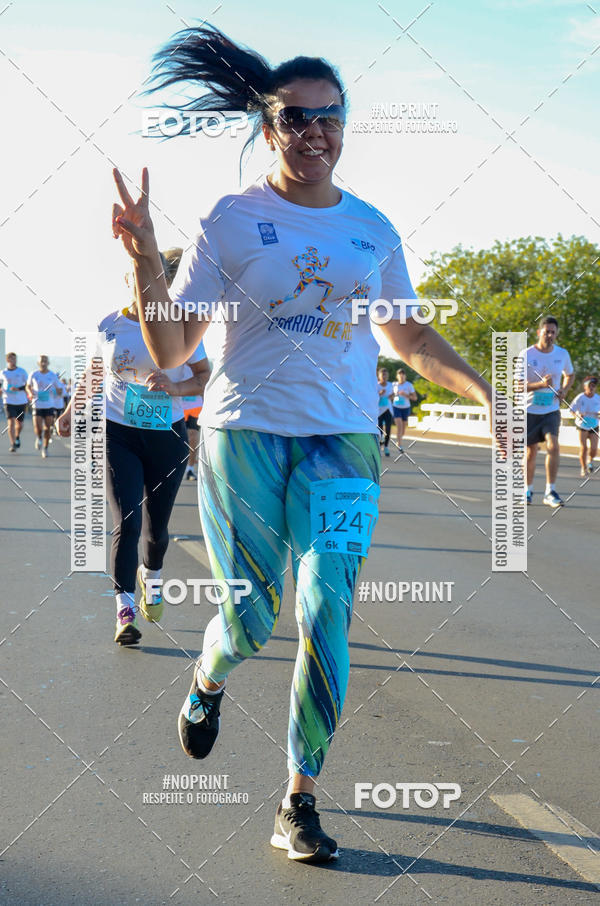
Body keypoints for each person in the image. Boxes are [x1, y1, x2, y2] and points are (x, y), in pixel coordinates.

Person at [111, 23, 492, 864]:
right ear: (267, 125)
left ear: (345, 124)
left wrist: (486, 394)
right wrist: (144, 260)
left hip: (344, 442)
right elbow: (174, 350)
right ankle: (208, 681)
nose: (314, 133)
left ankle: (298, 800)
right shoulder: (233, 219)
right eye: (295, 119)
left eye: (329, 117)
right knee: (250, 618)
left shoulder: (372, 228)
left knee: (326, 612)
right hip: (244, 437)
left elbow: (411, 338)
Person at [57, 249, 210, 645]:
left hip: (167, 436)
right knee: (128, 520)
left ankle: (152, 574)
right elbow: (94, 371)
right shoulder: (110, 323)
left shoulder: (182, 326)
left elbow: (205, 376)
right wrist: (73, 410)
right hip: (117, 432)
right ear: (130, 280)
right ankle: (124, 611)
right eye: (139, 279)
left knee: (156, 530)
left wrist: (176, 388)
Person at [525, 316, 574, 507]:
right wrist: (540, 384)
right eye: (547, 332)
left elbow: (570, 374)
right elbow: (517, 385)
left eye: (553, 332)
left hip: (551, 410)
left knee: (553, 446)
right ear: (539, 333)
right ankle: (527, 490)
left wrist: (564, 390)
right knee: (530, 453)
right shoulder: (527, 355)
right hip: (529, 410)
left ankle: (550, 491)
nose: (550, 335)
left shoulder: (562, 354)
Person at [26, 355, 63, 458]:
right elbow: (28, 386)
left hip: (49, 405)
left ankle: (45, 448)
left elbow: (59, 389)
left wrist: (56, 391)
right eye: (42, 361)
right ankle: (39, 438)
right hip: (37, 404)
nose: (43, 363)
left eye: (45, 361)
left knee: (47, 428)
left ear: (48, 363)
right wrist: (29, 392)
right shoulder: (34, 374)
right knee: (38, 427)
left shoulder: (52, 375)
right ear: (38, 363)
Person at [570, 376, 600, 478]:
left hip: (594, 424)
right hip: (582, 424)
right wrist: (577, 415)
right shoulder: (580, 397)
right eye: (590, 386)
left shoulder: (597, 398)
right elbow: (571, 410)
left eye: (593, 386)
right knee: (584, 447)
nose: (591, 388)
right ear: (585, 386)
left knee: (594, 448)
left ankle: (590, 461)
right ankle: (583, 468)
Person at [1, 352, 29, 452]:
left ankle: (17, 436)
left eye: (15, 359)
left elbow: (28, 385)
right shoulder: (3, 372)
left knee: (20, 424)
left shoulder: (22, 371)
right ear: (7, 360)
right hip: (8, 401)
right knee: (11, 423)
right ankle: (13, 444)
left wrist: (18, 389)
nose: (13, 361)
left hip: (21, 401)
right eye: (11, 359)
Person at [392, 367, 417, 453]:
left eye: (403, 376)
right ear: (397, 376)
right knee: (399, 427)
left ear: (405, 376)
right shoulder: (394, 385)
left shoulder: (409, 385)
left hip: (406, 408)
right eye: (400, 376)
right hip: (396, 407)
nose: (401, 377)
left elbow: (415, 398)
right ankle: (400, 445)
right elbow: (390, 396)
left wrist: (406, 395)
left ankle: (399, 441)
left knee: (403, 429)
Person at [377, 367, 393, 456]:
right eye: (382, 375)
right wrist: (379, 394)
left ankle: (386, 447)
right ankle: (379, 445)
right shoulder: (376, 385)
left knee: (388, 429)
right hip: (379, 411)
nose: (384, 376)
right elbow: (372, 398)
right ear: (379, 376)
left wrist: (392, 396)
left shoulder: (390, 385)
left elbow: (393, 395)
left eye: (386, 375)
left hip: (388, 409)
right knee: (379, 429)